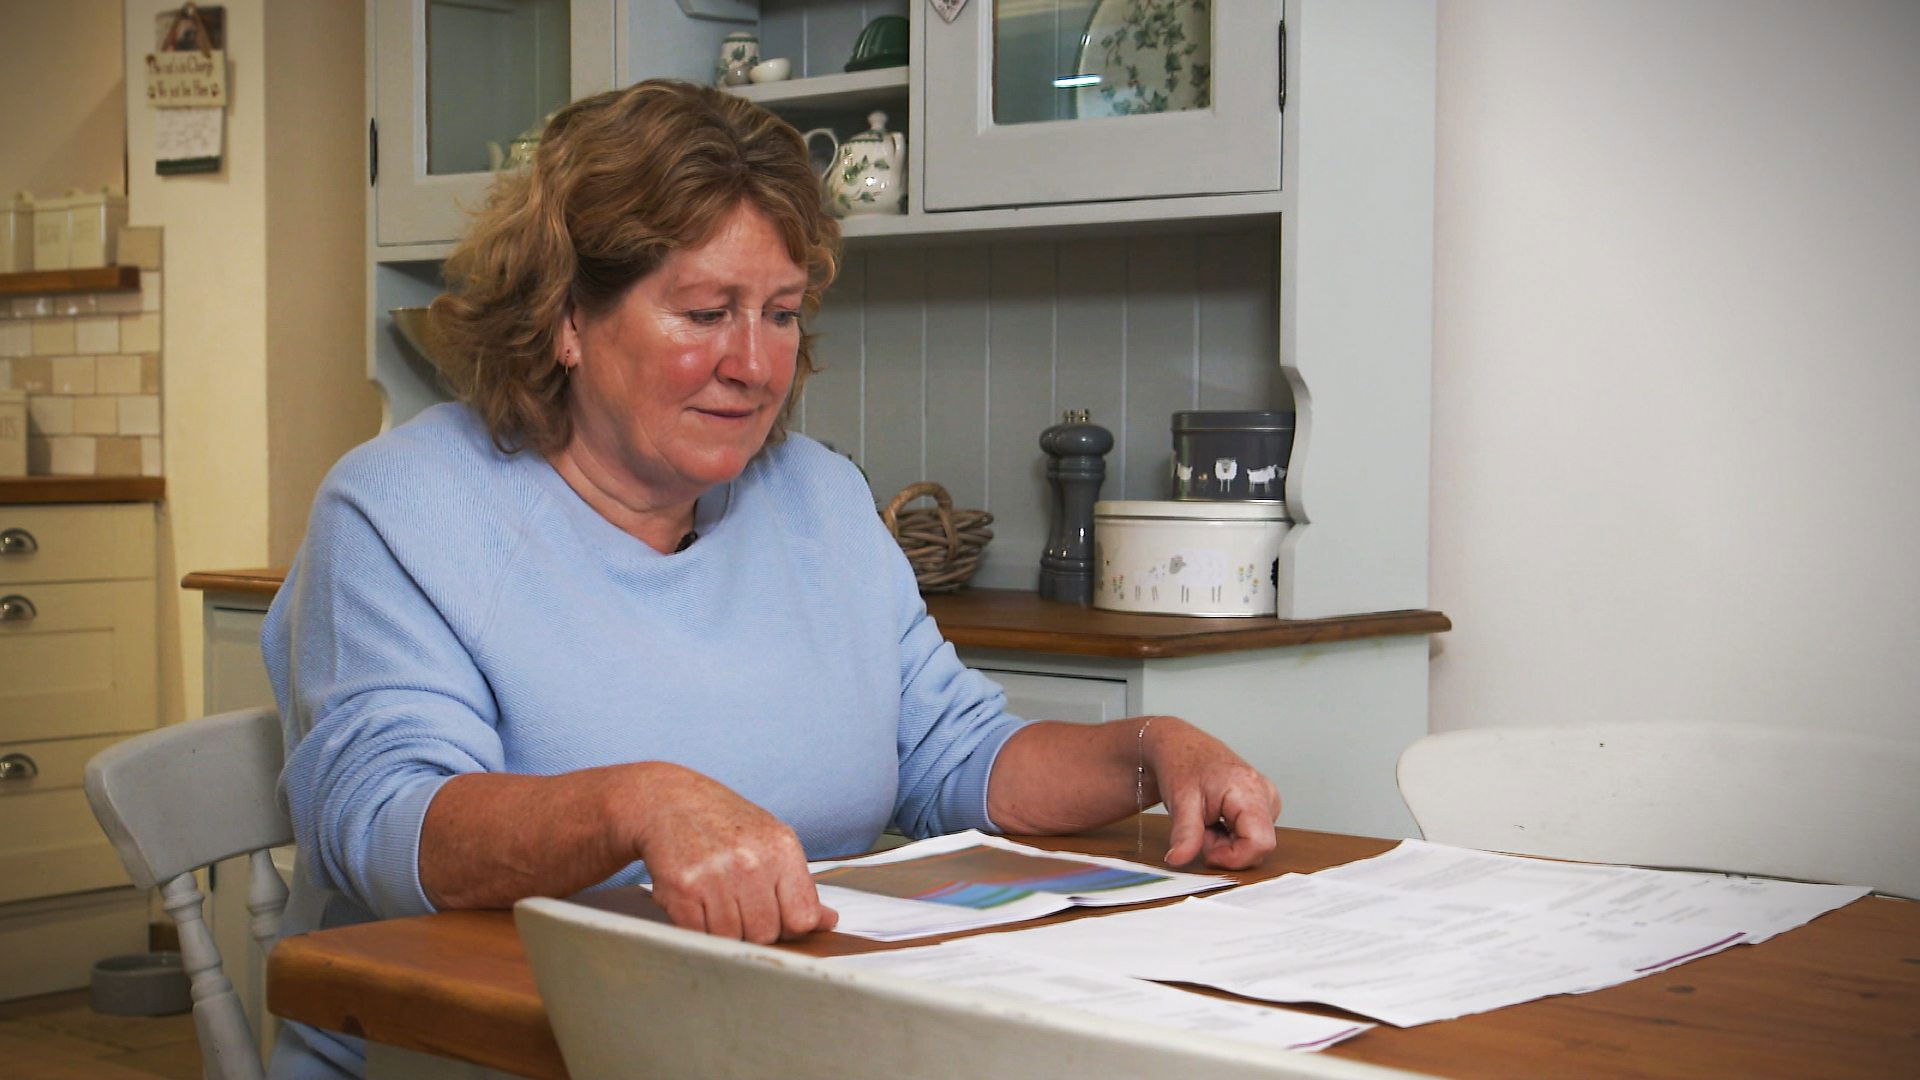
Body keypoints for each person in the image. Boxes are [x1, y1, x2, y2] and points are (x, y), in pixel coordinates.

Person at [264, 79, 1280, 1078]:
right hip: (476, 1054)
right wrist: (639, 804)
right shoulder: (402, 507)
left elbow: (953, 753)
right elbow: (387, 826)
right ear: (567, 318)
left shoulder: (819, 498)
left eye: (782, 313)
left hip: (766, 1039)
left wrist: (1151, 752)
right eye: (706, 312)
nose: (754, 364)